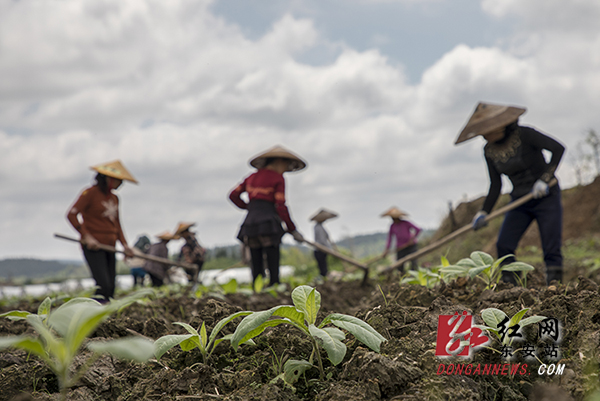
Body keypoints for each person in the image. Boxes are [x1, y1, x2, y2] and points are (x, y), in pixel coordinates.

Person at [455, 102, 565, 285]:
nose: (484, 135)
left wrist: (544, 179)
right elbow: (495, 184)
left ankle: (555, 288)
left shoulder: (526, 135)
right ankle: (511, 287)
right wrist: (484, 212)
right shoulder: (489, 150)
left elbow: (558, 149)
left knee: (551, 246)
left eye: (487, 130)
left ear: (501, 125)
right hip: (520, 201)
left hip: (546, 197)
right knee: (504, 244)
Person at [229, 145, 306, 286]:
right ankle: (274, 285)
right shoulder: (278, 178)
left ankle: (257, 288)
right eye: (286, 164)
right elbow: (281, 205)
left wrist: (250, 208)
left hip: (251, 223)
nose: (286, 168)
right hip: (268, 223)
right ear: (278, 162)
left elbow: (233, 195)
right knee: (272, 255)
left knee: (255, 257)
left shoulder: (251, 177)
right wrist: (292, 228)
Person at [66, 160, 137, 302]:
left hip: (110, 246)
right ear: (108, 179)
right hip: (94, 246)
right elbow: (72, 215)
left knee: (111, 287)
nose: (121, 184)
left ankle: (107, 316)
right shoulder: (89, 193)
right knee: (103, 285)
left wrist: (125, 244)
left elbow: (116, 223)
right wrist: (86, 236)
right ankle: (94, 313)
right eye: (118, 180)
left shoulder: (115, 198)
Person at [309, 209, 338, 277]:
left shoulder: (320, 227)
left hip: (321, 249)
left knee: (323, 265)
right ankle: (324, 278)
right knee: (323, 267)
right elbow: (322, 240)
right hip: (320, 249)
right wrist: (328, 248)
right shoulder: (318, 227)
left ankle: (324, 277)